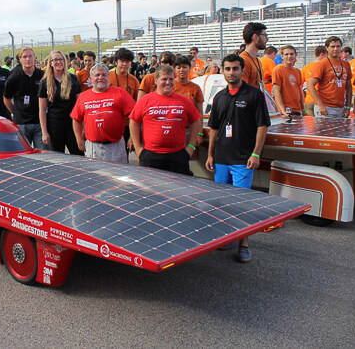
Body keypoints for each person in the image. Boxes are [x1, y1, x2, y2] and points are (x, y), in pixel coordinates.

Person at [205, 54, 270, 263]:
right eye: (227, 69)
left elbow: (262, 126)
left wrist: (256, 153)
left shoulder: (254, 95)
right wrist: (210, 154)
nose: (231, 73)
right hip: (221, 158)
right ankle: (227, 237)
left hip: (243, 159)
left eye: (235, 69)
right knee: (222, 202)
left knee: (241, 203)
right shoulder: (220, 98)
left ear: (242, 70)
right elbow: (213, 128)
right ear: (222, 71)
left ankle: (244, 243)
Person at [130, 65, 202, 175]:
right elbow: (134, 121)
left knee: (178, 190)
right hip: (151, 156)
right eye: (164, 79)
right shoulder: (145, 100)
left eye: (171, 79)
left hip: (178, 156)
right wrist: (138, 148)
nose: (168, 82)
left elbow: (196, 120)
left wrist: (191, 147)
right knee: (151, 190)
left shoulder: (183, 100)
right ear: (156, 80)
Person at [71, 64, 135, 163]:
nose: (101, 77)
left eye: (104, 75)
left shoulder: (120, 93)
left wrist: (132, 137)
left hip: (116, 146)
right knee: (95, 177)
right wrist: (79, 140)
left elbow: (135, 116)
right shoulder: (83, 96)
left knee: (118, 176)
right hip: (93, 147)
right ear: (91, 78)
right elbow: (76, 119)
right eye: (97, 75)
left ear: (108, 78)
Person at [38, 50, 82, 155]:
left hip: (72, 124)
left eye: (60, 59)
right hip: (54, 125)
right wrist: (44, 132)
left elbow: (80, 105)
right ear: (50, 63)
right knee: (58, 156)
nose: (58, 62)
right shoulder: (45, 82)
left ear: (65, 61)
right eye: (55, 60)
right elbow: (42, 110)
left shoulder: (73, 78)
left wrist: (83, 127)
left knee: (78, 154)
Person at [4, 47, 46, 148]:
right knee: (23, 154)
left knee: (43, 155)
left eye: (30, 56)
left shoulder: (43, 76)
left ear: (35, 58)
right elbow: (6, 99)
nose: (28, 59)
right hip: (21, 123)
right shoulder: (14, 77)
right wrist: (16, 112)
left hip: (39, 123)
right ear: (20, 59)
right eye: (25, 57)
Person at [307, 36, 352, 118]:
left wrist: (348, 107)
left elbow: (348, 87)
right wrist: (320, 105)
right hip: (325, 107)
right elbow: (310, 84)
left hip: (341, 107)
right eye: (332, 46)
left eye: (338, 46)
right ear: (327, 48)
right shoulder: (322, 64)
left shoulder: (346, 64)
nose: (335, 49)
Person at [272, 45, 304, 117]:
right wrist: (283, 110)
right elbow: (276, 91)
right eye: (286, 54)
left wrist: (303, 109)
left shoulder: (297, 71)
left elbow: (300, 91)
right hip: (286, 111)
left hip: (297, 110)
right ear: (282, 56)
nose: (289, 56)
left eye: (292, 54)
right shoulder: (278, 70)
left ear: (295, 55)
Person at [300, 46, 327, 116]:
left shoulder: (306, 67)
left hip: (308, 100)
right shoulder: (325, 66)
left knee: (310, 125)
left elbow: (299, 85)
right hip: (320, 101)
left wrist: (302, 99)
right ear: (322, 54)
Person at [240, 22, 268, 90]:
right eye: (264, 35)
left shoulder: (257, 60)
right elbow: (242, 91)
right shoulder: (243, 61)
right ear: (255, 37)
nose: (267, 39)